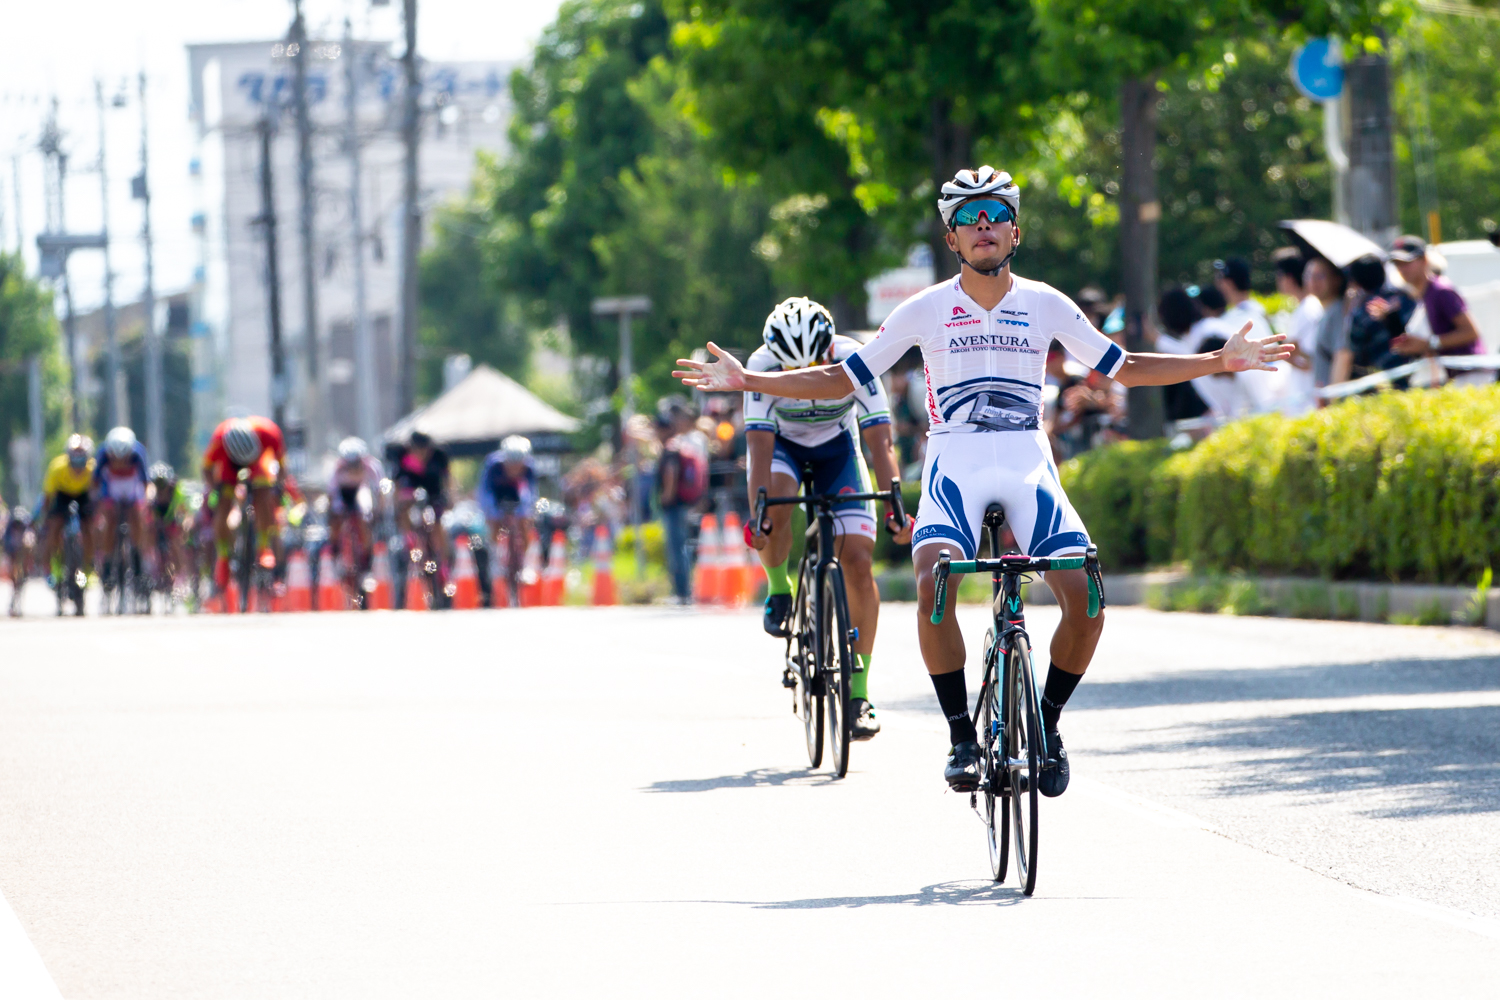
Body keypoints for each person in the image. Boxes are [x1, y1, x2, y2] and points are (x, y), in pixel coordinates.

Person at [674, 165, 1290, 795]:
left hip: (1027, 461)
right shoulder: (925, 310)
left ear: (1015, 232)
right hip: (954, 462)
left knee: (1088, 596)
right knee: (933, 579)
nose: (984, 225)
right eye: (968, 218)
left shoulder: (1047, 303)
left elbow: (1122, 366)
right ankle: (962, 736)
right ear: (952, 239)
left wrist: (1217, 361)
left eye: (995, 214)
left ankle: (1046, 724)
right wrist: (750, 381)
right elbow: (840, 380)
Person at [743, 296, 913, 739]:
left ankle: (859, 695)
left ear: (829, 350)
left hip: (839, 448)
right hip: (784, 447)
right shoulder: (759, 367)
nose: (803, 378)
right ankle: (780, 588)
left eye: (814, 365)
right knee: (775, 505)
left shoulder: (856, 359)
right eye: (789, 371)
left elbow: (881, 443)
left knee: (857, 560)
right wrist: (758, 514)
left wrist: (895, 503)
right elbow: (759, 452)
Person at [201, 415, 290, 591]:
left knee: (264, 495)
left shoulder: (269, 432)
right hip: (228, 464)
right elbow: (207, 469)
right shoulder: (219, 439)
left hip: (259, 460)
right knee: (223, 505)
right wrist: (216, 490)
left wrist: (277, 487)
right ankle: (224, 557)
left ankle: (263, 547)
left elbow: (282, 467)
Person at [1384, 235, 1486, 384]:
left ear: (1424, 260)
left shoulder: (1441, 291)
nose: (1402, 269)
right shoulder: (1423, 295)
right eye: (1397, 264)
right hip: (1455, 376)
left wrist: (1429, 343)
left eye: (1406, 262)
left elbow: (1471, 332)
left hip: (1472, 374)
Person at [654, 398, 707, 604]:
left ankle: (682, 592)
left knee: (677, 548)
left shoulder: (671, 448)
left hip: (674, 505)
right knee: (681, 546)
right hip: (684, 503)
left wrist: (666, 495)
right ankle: (683, 591)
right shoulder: (680, 445)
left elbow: (671, 472)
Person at [1332, 254, 1416, 385]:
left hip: (1389, 379)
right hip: (1419, 368)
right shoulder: (1405, 297)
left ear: (1356, 282)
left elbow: (1353, 351)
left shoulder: (1360, 313)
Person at [479, 435, 538, 604]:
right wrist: (492, 512)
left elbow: (531, 494)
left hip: (517, 494)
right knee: (493, 522)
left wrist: (526, 512)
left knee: (525, 523)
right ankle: (495, 559)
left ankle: (526, 564)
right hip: (496, 495)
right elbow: (484, 493)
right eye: (511, 463)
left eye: (518, 463)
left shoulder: (529, 468)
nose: (514, 467)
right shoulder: (493, 465)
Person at [94, 426, 152, 580]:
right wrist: (98, 505)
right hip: (111, 486)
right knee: (110, 521)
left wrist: (145, 503)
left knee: (137, 516)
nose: (119, 461)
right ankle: (107, 561)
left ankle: (137, 554)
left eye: (124, 457)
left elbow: (145, 484)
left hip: (131, 485)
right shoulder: (102, 453)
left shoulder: (138, 453)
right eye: (115, 458)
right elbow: (95, 483)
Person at [390, 430, 451, 576]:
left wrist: (449, 497)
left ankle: (443, 560)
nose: (421, 453)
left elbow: (447, 480)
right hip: (411, 492)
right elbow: (397, 485)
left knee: (437, 523)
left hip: (433, 492)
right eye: (417, 449)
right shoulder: (402, 457)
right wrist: (396, 504)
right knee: (404, 510)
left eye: (424, 449)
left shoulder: (439, 456)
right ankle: (410, 539)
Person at [41, 434, 97, 584]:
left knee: (89, 529)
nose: (78, 466)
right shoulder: (57, 467)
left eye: (82, 460)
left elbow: (98, 493)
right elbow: (48, 496)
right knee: (55, 528)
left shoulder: (93, 468)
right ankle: (57, 566)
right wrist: (47, 518)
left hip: (83, 495)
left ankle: (87, 568)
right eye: (74, 459)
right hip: (62, 495)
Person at [1273, 252, 1323, 415]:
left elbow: (1298, 353)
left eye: (1279, 276)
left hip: (1309, 392)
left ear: (1289, 277)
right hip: (1306, 389)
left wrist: (1289, 355)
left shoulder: (1307, 309)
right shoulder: (1307, 306)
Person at [327, 437, 385, 575]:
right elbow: (331, 494)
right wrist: (333, 514)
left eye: (356, 463)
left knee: (364, 518)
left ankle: (366, 558)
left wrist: (379, 511)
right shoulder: (337, 468)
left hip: (361, 492)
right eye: (350, 464)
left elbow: (379, 490)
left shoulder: (372, 466)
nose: (353, 467)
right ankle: (335, 548)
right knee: (337, 519)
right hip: (343, 494)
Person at [1308, 256, 1349, 394]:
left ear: (1336, 279)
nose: (1313, 281)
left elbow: (1342, 355)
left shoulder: (1337, 311)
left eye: (1319, 276)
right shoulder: (1325, 311)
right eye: (1309, 276)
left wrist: (1333, 397)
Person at [146, 462, 186, 588]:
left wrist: (182, 522)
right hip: (157, 517)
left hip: (171, 518)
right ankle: (152, 568)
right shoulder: (151, 490)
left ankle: (180, 576)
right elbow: (147, 508)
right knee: (150, 533)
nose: (161, 488)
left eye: (163, 484)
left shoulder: (175, 490)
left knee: (175, 541)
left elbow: (182, 509)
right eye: (157, 485)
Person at [4, 505, 34, 616]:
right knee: (14, 576)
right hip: (13, 551)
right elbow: (7, 549)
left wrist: (26, 566)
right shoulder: (9, 532)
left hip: (23, 551)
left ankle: (22, 580)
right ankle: (13, 601)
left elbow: (30, 545)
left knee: (22, 576)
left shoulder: (27, 532)